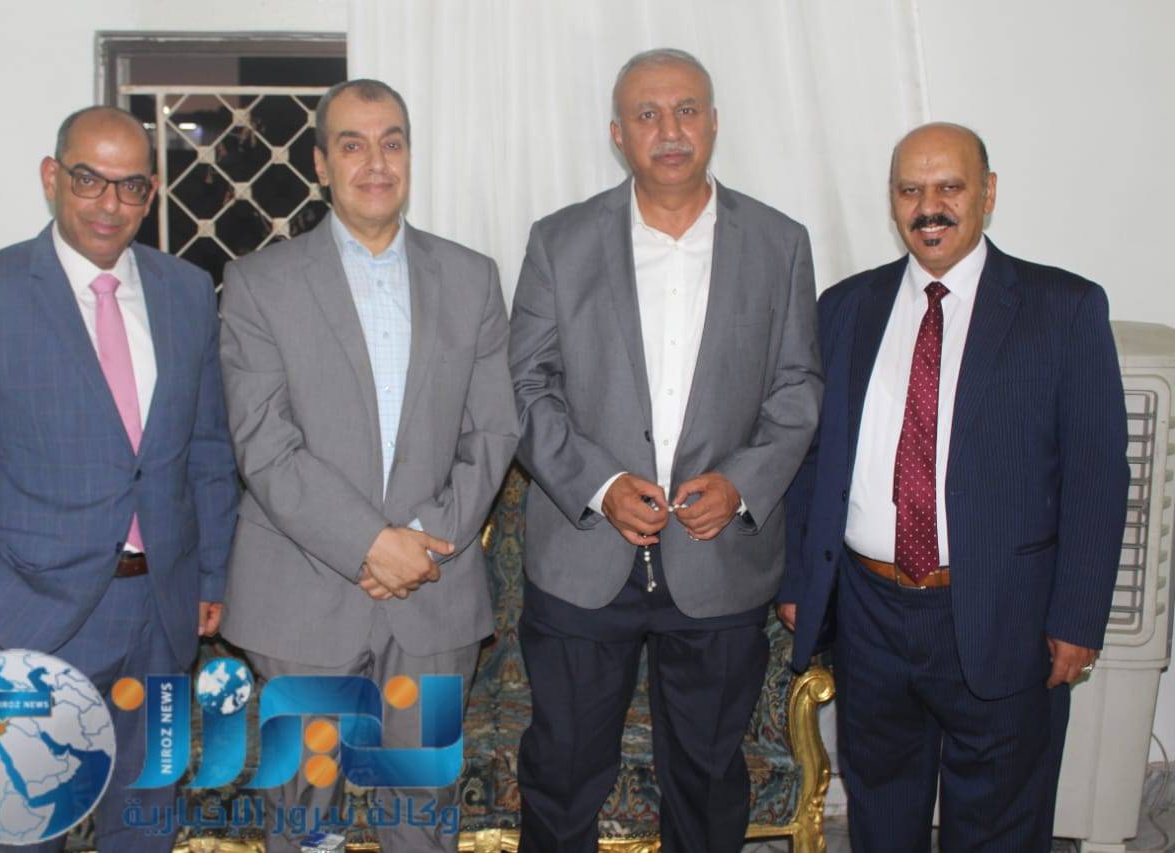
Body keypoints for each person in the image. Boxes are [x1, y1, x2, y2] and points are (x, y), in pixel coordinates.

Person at [0, 105, 240, 852]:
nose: (110, 204)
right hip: (33, 615)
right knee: (25, 830)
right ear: (52, 177)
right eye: (89, 180)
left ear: (151, 193)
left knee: (146, 825)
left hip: (163, 615)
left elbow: (208, 448)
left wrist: (211, 573)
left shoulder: (186, 291)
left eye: (131, 185)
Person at [777, 122, 1129, 851]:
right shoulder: (846, 307)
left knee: (998, 824)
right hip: (869, 613)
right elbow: (812, 457)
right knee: (881, 814)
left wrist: (1077, 616)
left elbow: (1097, 473)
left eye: (949, 187)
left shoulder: (1063, 308)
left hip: (1006, 612)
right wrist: (799, 580)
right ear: (892, 200)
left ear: (988, 193)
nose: (928, 207)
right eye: (910, 190)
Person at [507, 48, 822, 852]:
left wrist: (743, 484)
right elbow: (527, 386)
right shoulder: (559, 241)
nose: (669, 129)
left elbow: (798, 387)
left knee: (709, 783)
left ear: (714, 123)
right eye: (647, 114)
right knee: (562, 775)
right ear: (619, 134)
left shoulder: (780, 242)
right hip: (583, 557)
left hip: (718, 559)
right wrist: (600, 483)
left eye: (686, 110)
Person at [217, 78, 519, 853]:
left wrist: (419, 542)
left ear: (410, 157)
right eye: (352, 145)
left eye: (391, 143)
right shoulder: (258, 284)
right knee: (304, 826)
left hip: (432, 594)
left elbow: (492, 430)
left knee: (421, 822)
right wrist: (370, 543)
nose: (375, 162)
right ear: (322, 163)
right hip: (301, 599)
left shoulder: (472, 279)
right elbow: (263, 443)